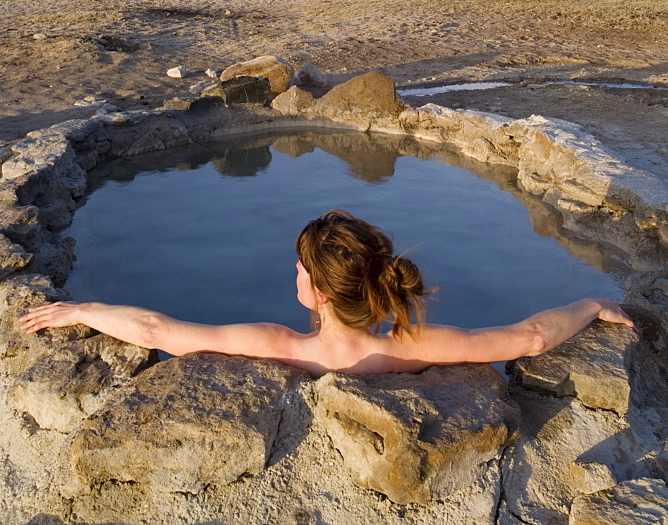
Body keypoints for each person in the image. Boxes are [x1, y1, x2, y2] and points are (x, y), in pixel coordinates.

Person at [19, 210, 634, 377]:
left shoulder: (279, 345)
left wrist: (86, 310)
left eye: (297, 268)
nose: (292, 275)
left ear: (313, 290)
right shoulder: (415, 348)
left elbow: (157, 332)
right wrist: (589, 305)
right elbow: (528, 338)